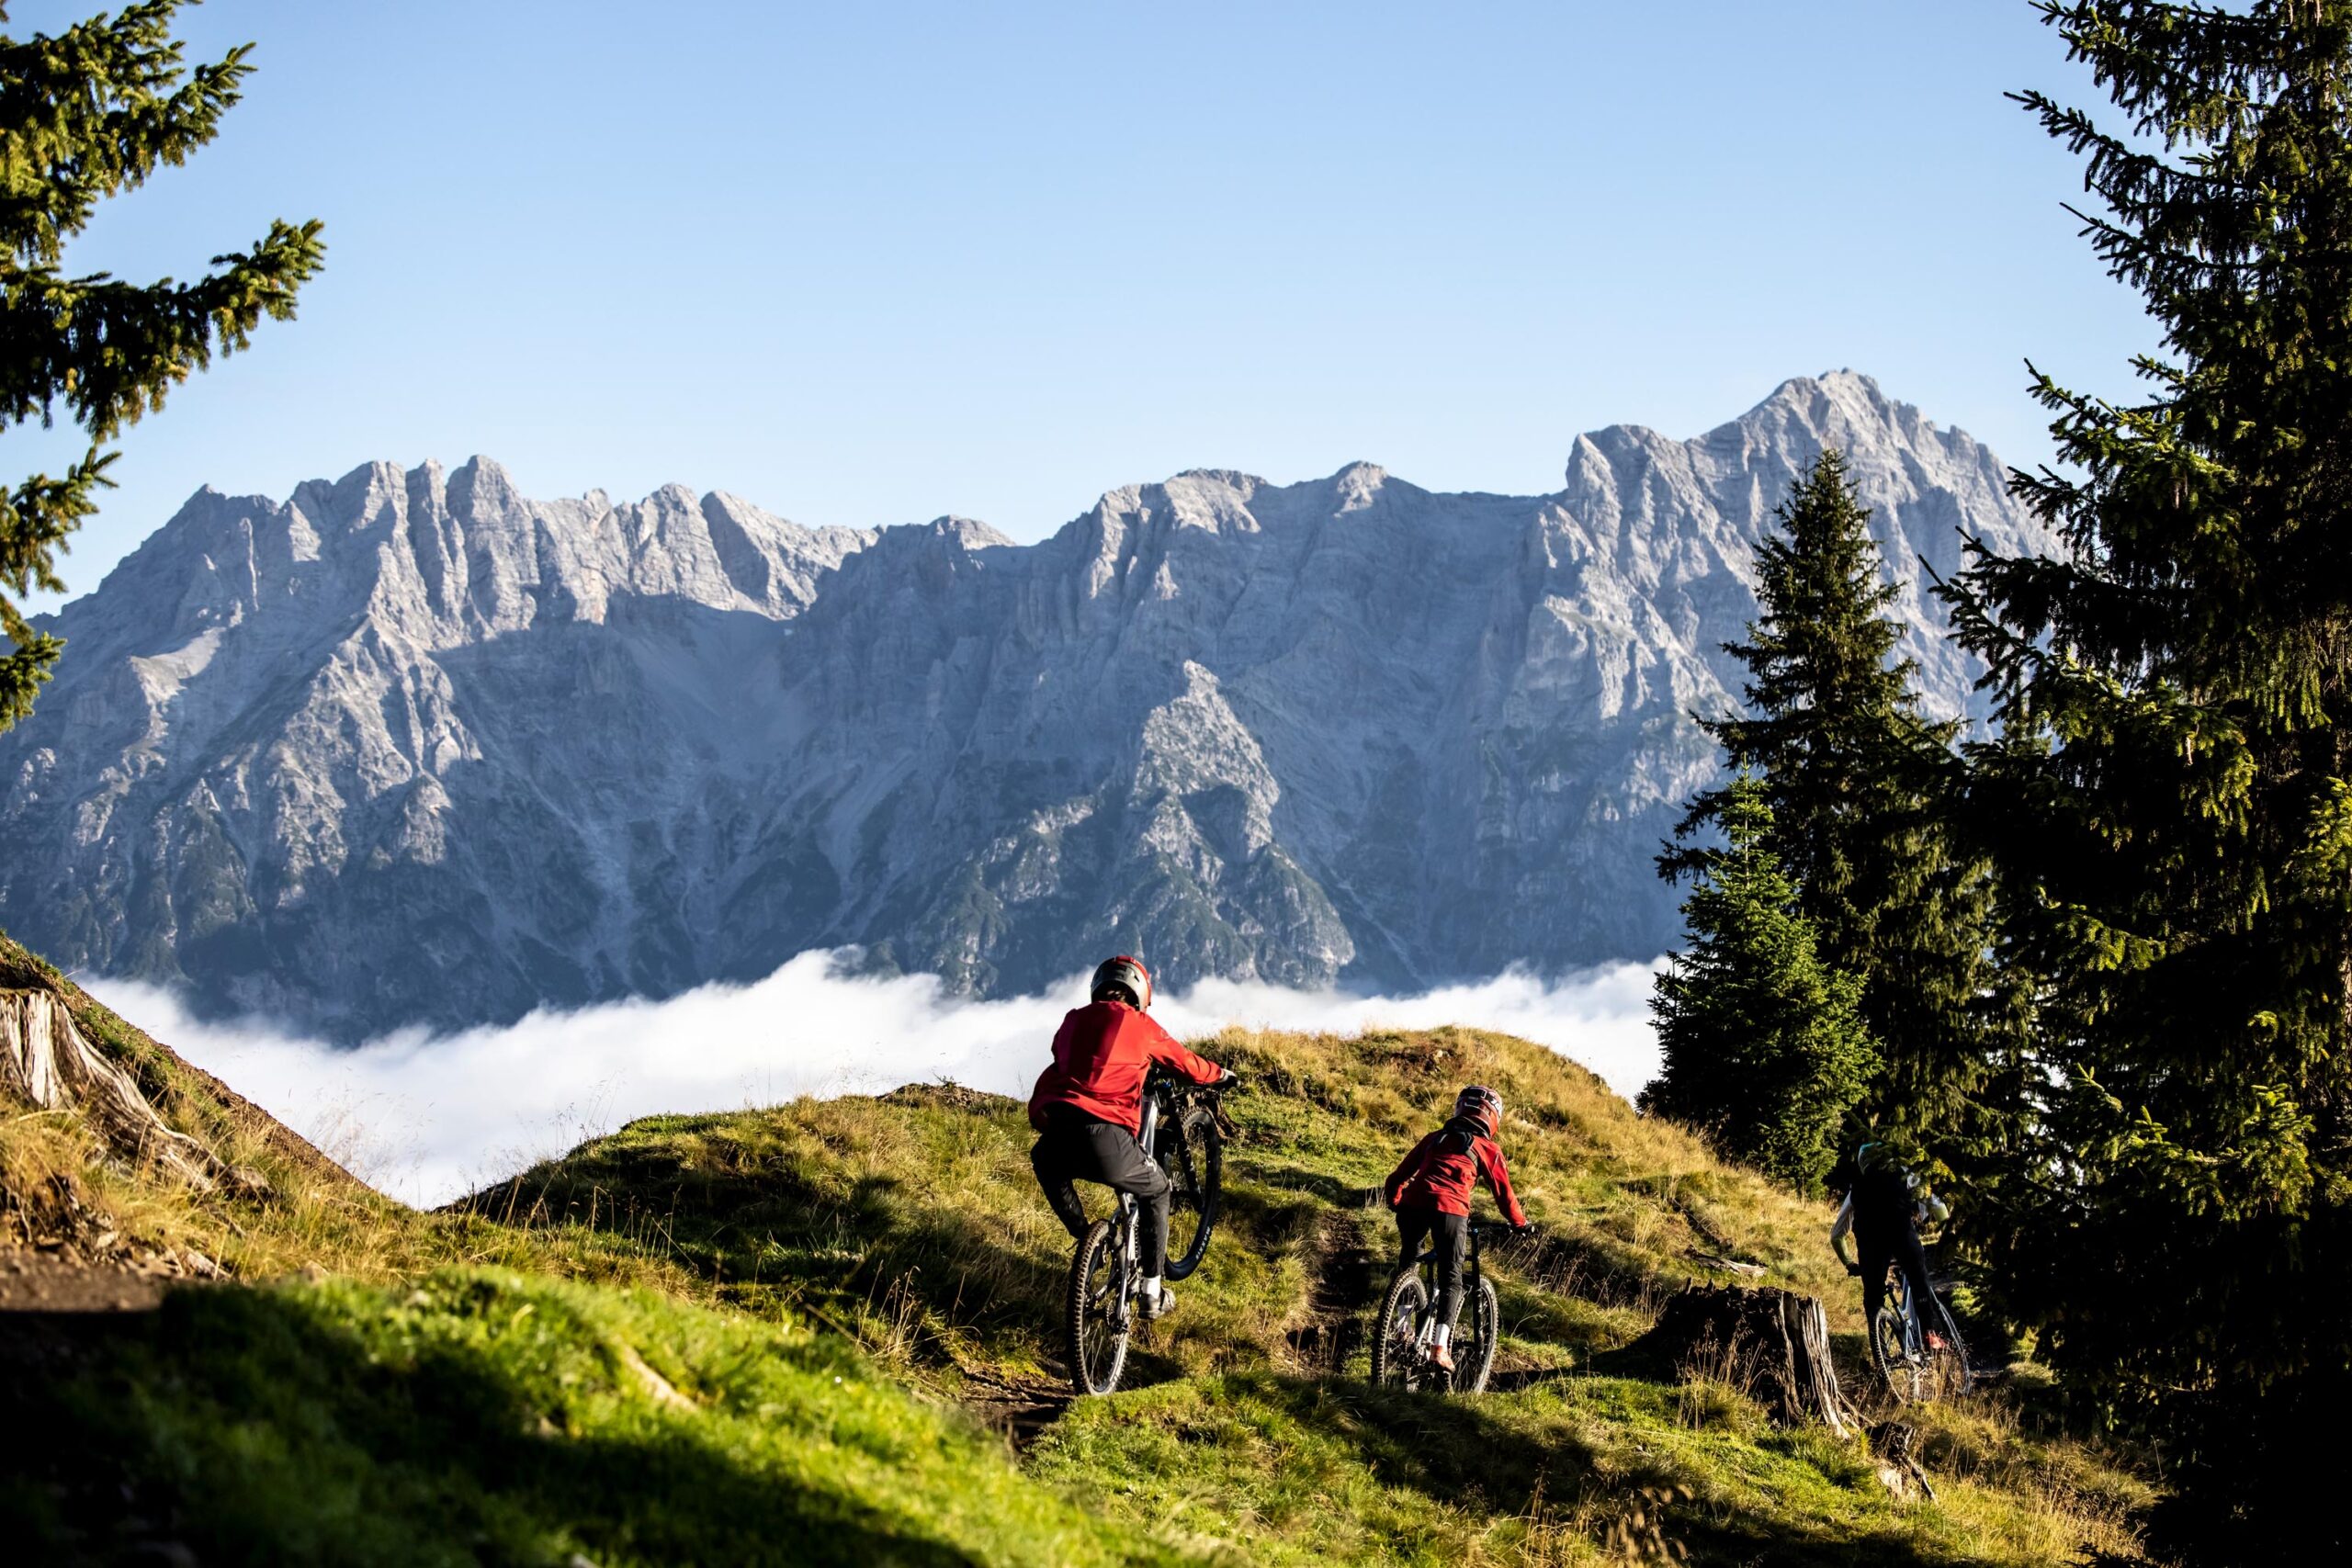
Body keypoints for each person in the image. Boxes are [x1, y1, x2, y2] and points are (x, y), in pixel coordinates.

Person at [1029, 955, 1232, 1320]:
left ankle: (1089, 1239)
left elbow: (1064, 1054)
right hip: (1104, 1141)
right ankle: (1152, 1292)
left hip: (1056, 1136)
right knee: (1156, 1190)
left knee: (1047, 1163)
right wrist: (1219, 1075)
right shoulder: (1140, 1024)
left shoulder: (1072, 1020)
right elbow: (1186, 1063)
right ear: (1140, 994)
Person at [1383, 1084, 1529, 1373]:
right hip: (1451, 1210)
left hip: (1413, 1205)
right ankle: (1440, 1347)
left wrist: (1396, 1201)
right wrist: (1519, 1223)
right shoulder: (1487, 1148)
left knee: (1409, 1261)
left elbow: (1396, 1178)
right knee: (1452, 1277)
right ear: (1492, 1117)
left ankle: (1399, 1330)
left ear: (1460, 1108)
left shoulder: (1434, 1138)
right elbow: (1504, 1194)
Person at [1830, 1140, 1951, 1345]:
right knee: (1918, 1277)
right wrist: (1947, 1238)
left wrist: (1849, 1263)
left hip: (1870, 1244)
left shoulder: (1856, 1189)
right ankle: (1929, 1334)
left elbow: (1836, 1235)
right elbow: (1937, 1205)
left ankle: (1880, 1348)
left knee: (1873, 1296)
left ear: (1863, 1163)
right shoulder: (1904, 1174)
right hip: (1902, 1235)